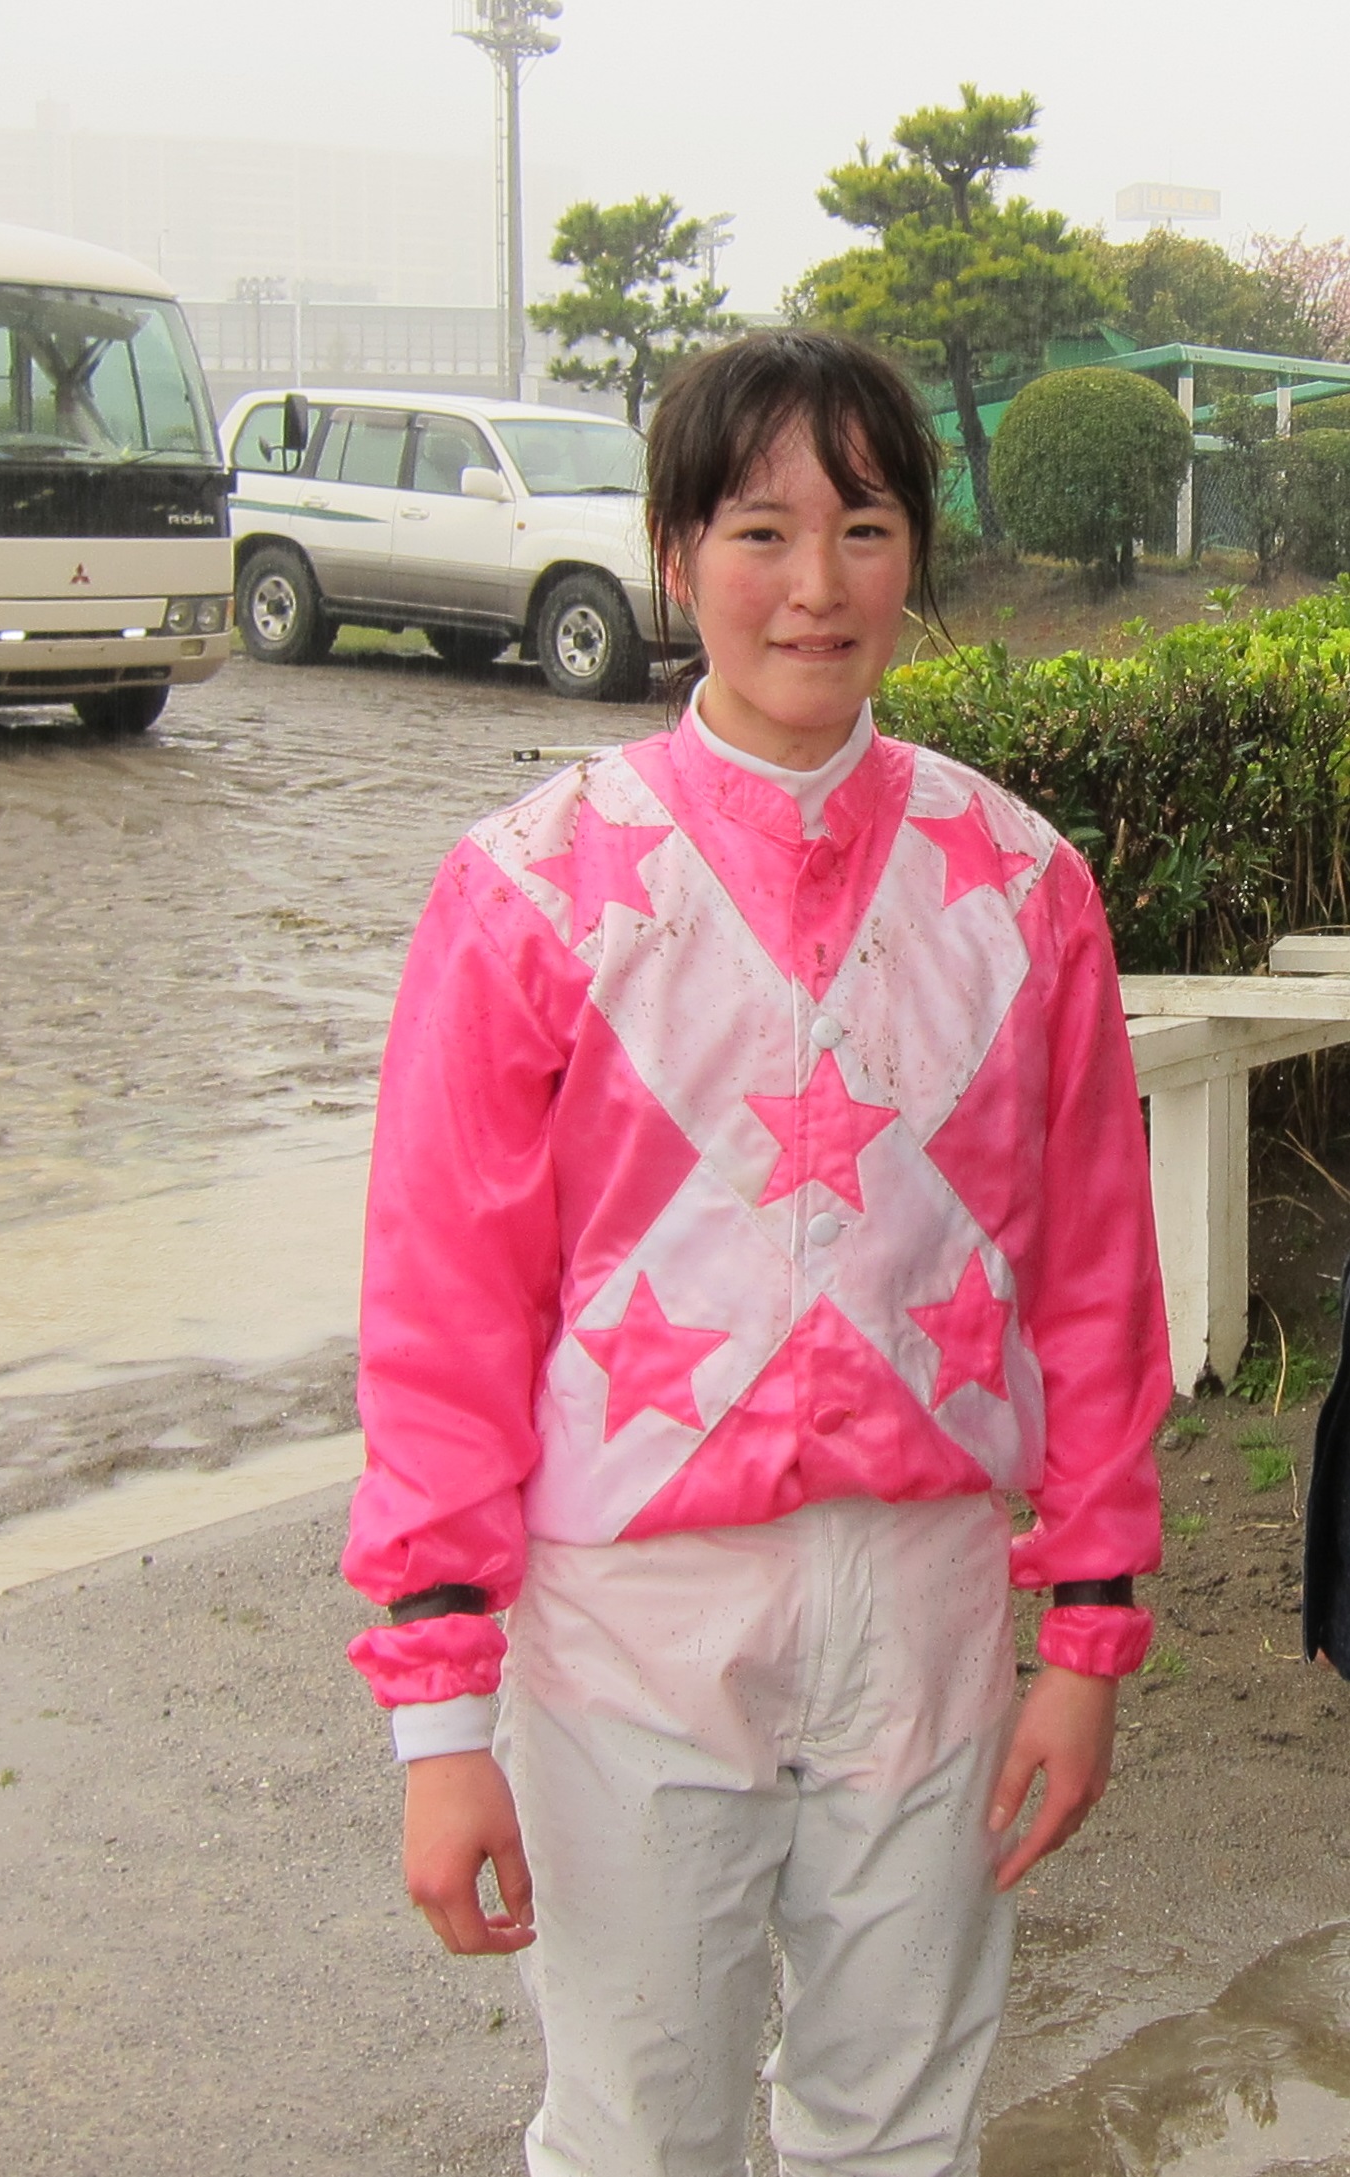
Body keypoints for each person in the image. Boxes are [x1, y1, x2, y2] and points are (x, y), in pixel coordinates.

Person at [343, 329, 1171, 2177]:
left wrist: (1088, 1629)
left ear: (916, 562)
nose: (814, 588)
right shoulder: (533, 887)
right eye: (757, 530)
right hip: (629, 1618)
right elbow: (443, 1317)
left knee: (900, 2117)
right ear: (669, 554)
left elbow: (1097, 1284)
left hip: (932, 1604)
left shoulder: (1019, 885)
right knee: (638, 2125)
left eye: (864, 529)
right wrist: (438, 1716)